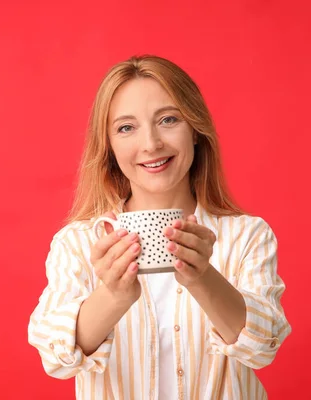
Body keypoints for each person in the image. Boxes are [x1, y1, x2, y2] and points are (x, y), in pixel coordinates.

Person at [28, 55, 291, 399]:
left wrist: (202, 277)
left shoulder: (246, 236)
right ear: (108, 147)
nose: (151, 144)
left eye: (168, 120)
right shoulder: (77, 243)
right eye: (126, 127)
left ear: (196, 130)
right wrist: (113, 295)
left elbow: (262, 348)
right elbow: (55, 357)